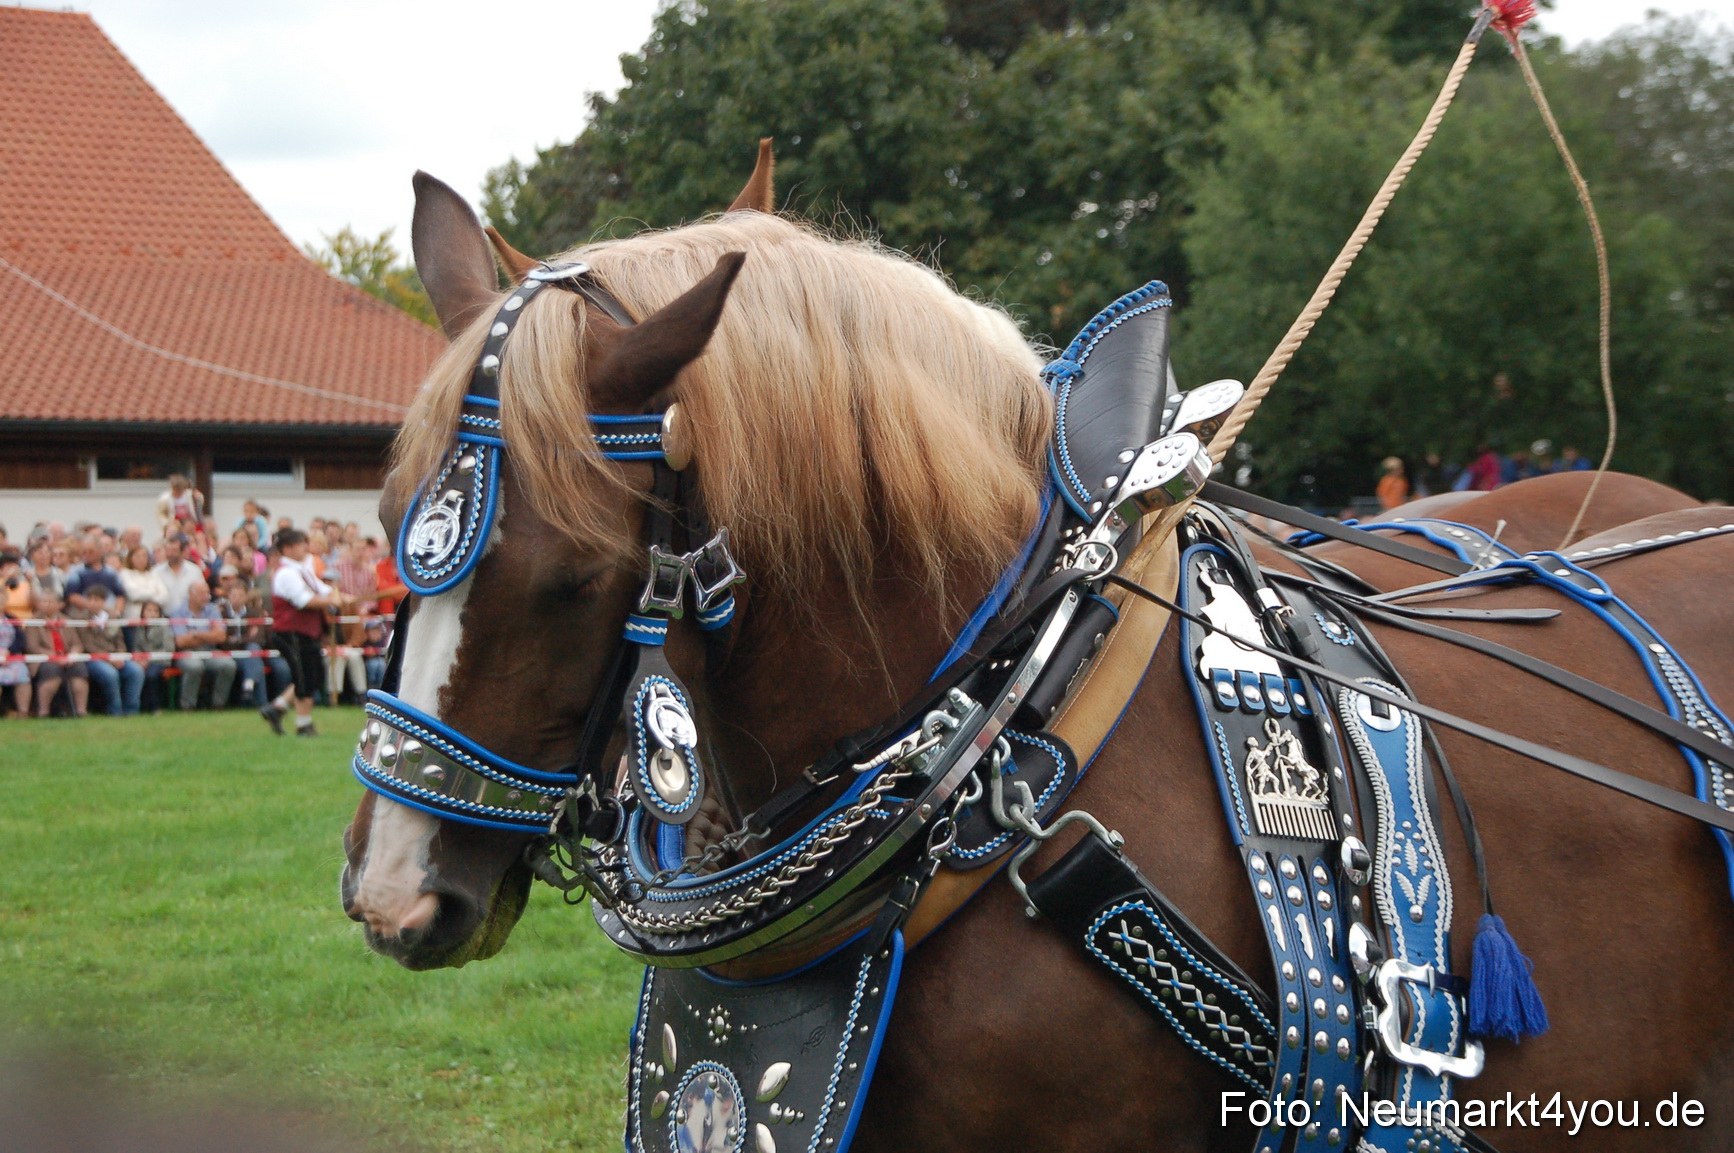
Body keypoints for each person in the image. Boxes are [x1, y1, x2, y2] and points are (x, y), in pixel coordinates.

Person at [261, 528, 355, 736]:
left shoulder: (301, 570)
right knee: (304, 678)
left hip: (304, 633)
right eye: (300, 544)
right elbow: (304, 600)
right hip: (291, 633)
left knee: (312, 674)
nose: (305, 547)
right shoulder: (286, 573)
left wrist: (341, 596)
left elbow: (321, 589)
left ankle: (276, 708)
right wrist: (332, 600)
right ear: (287, 548)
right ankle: (303, 725)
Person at [67, 586, 142, 716]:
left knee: (136, 671)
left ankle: (131, 710)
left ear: (104, 601)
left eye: (97, 600)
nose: (93, 603)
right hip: (93, 658)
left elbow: (119, 639)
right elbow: (87, 644)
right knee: (110, 674)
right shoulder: (81, 619)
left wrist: (120, 654)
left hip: (114, 656)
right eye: (90, 599)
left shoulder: (112, 617)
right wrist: (107, 658)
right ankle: (115, 711)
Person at [168, 582, 236, 710]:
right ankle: (188, 706)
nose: (206, 597)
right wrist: (210, 635)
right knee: (194, 666)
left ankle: (218, 704)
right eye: (202, 594)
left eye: (207, 593)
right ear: (191, 595)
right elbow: (181, 642)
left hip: (210, 650)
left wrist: (196, 634)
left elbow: (221, 636)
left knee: (228, 665)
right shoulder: (178, 612)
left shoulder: (212, 609)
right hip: (186, 652)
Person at [23, 591, 87, 717]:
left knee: (79, 669)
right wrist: (54, 657)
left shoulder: (67, 621)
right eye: (44, 601)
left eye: (50, 602)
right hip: (44, 659)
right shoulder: (33, 622)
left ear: (60, 605)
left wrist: (72, 655)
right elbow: (33, 647)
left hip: (67, 658)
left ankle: (81, 711)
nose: (46, 604)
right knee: (52, 670)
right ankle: (43, 711)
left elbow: (77, 644)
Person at [63, 537, 126, 616]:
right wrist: (95, 606)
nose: (87, 555)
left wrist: (117, 612)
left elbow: (120, 595)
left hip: (109, 615)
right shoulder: (76, 572)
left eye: (91, 551)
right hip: (84, 615)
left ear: (100, 551)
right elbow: (72, 595)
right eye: (84, 552)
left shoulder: (111, 572)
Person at [133, 600, 174, 713]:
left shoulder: (164, 626)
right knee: (136, 672)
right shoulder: (139, 627)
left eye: (155, 611)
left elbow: (168, 648)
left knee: (151, 675)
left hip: (161, 660)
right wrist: (138, 658)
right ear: (142, 612)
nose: (152, 614)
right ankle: (140, 706)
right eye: (149, 610)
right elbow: (137, 646)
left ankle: (155, 707)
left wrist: (149, 658)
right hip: (142, 661)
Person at [151, 534, 205, 615]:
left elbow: (201, 593)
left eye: (174, 550)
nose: (170, 554)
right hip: (164, 617)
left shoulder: (194, 571)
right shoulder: (156, 571)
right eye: (168, 550)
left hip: (188, 617)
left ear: (182, 552)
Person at [0, 600, 30, 717]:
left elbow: (20, 639)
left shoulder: (12, 618)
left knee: (23, 674)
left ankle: (23, 713)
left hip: (10, 657)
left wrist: (9, 651)